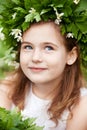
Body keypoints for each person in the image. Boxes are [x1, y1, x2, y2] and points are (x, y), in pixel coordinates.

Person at [0, 1, 87, 130]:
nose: (35, 58)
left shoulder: (81, 105)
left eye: (48, 48)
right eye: (28, 47)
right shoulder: (6, 91)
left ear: (71, 55)